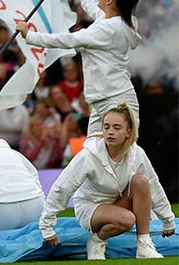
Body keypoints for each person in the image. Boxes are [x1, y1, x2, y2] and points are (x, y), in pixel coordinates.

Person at [17, 0, 142, 136]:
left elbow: (69, 40)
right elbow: (87, 0)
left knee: (123, 155)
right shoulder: (114, 20)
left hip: (115, 101)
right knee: (94, 153)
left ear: (109, 0)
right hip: (102, 100)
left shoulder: (106, 29)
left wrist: (30, 36)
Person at [40, 103, 174, 259]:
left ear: (128, 132)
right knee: (127, 219)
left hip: (117, 203)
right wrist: (47, 225)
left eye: (117, 128)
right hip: (91, 207)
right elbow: (62, 187)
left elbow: (153, 185)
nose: (110, 132)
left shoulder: (137, 153)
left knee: (142, 181)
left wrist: (167, 220)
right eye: (106, 127)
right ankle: (97, 240)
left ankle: (144, 245)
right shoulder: (88, 155)